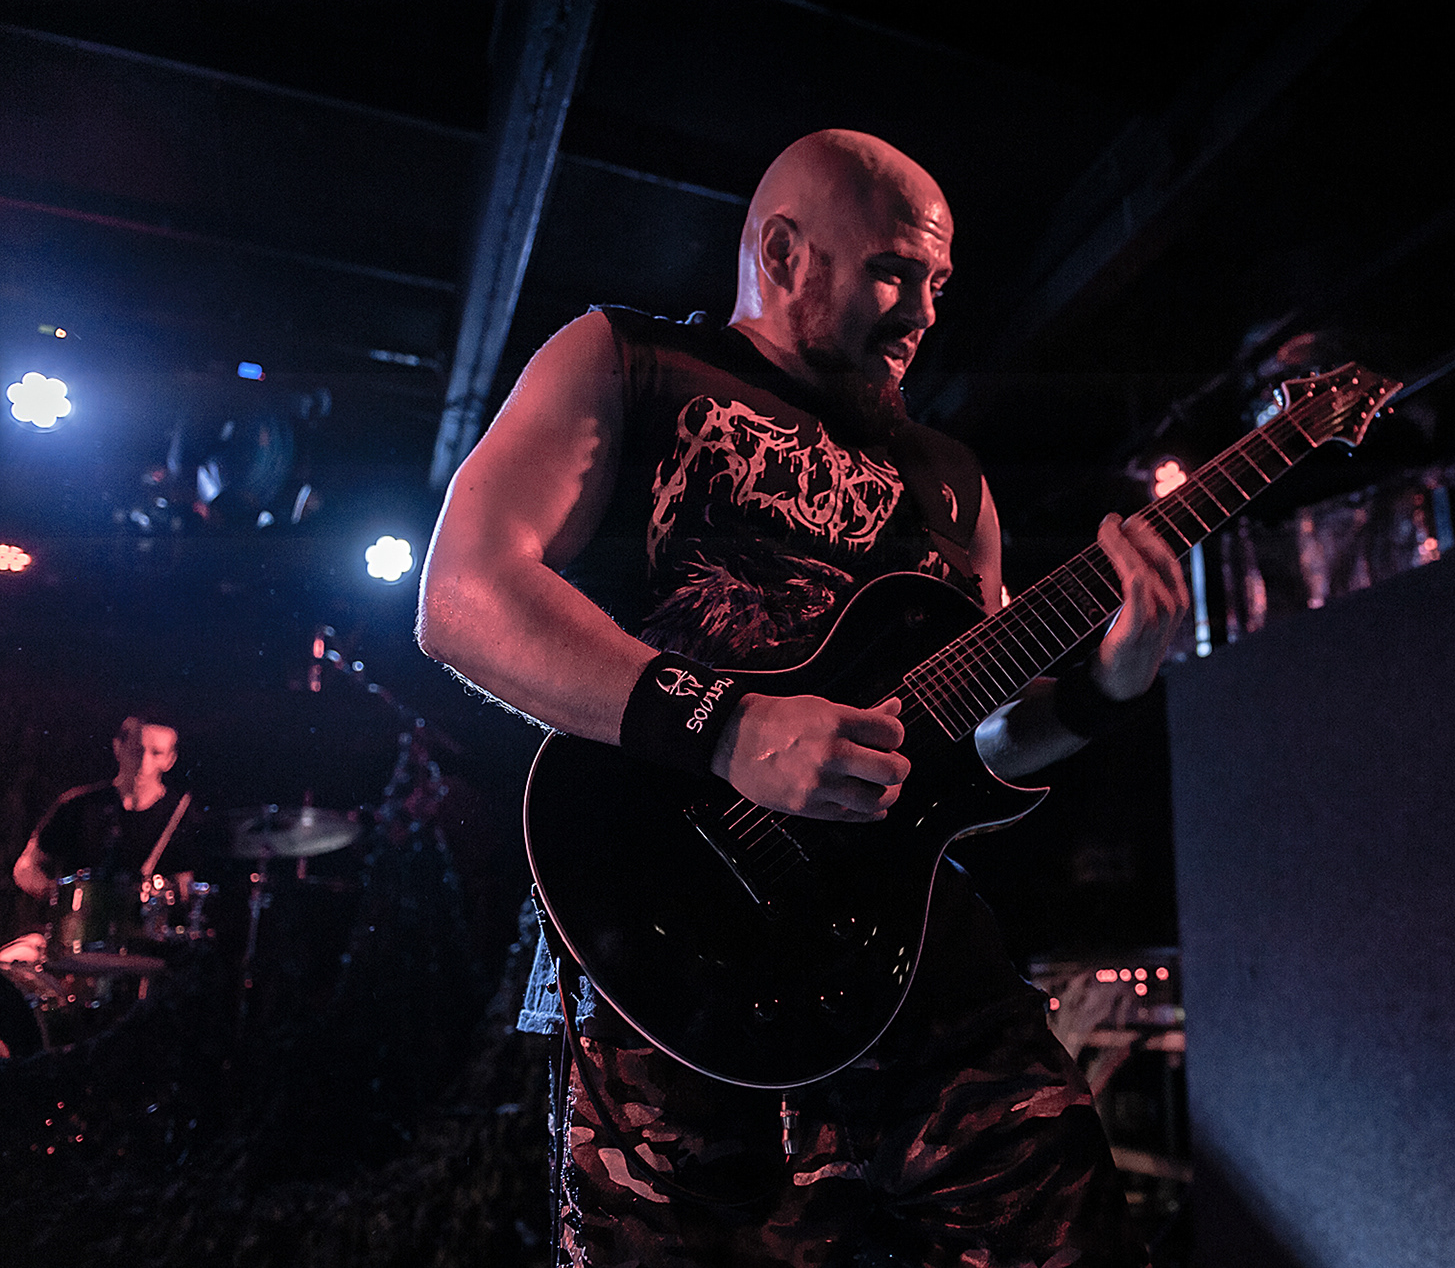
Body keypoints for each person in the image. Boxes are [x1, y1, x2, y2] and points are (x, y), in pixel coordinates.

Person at [416, 128, 1189, 1267]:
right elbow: (464, 595)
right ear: (784, 254)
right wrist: (728, 728)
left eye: (938, 283)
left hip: (908, 963)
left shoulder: (953, 483)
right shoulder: (628, 360)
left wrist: (1106, 688)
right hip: (678, 952)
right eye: (894, 271)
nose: (923, 312)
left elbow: (980, 752)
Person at [13, 711, 211, 956]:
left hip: (146, 947)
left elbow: (186, 885)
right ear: (118, 748)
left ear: (170, 760)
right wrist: (56, 895)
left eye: (156, 753)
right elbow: (25, 867)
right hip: (74, 941)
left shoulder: (184, 814)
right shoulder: (78, 805)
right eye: (137, 750)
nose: (144, 763)